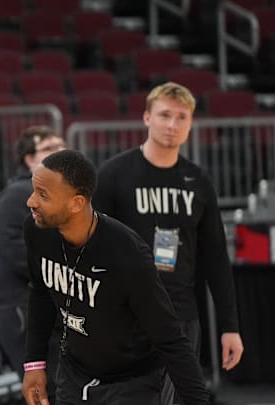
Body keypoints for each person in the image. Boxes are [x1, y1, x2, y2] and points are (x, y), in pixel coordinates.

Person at [92, 82, 244, 405]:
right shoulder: (114, 174)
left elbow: (215, 258)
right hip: (126, 317)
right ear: (147, 118)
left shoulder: (198, 181)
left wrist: (230, 326)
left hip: (181, 317)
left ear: (190, 124)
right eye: (164, 115)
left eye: (181, 117)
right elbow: (91, 247)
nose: (172, 125)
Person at [22, 149, 211, 405]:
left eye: (43, 195)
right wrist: (34, 363)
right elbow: (41, 293)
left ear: (76, 203)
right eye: (34, 190)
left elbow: (170, 339)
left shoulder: (127, 254)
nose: (31, 201)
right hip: (74, 373)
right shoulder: (36, 231)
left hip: (132, 381)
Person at [0, 125, 65, 401]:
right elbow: (11, 247)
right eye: (49, 148)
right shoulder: (17, 195)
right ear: (30, 159)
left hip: (46, 305)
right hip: (20, 305)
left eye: (61, 146)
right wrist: (62, 273)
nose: (60, 152)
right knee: (44, 387)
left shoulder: (59, 196)